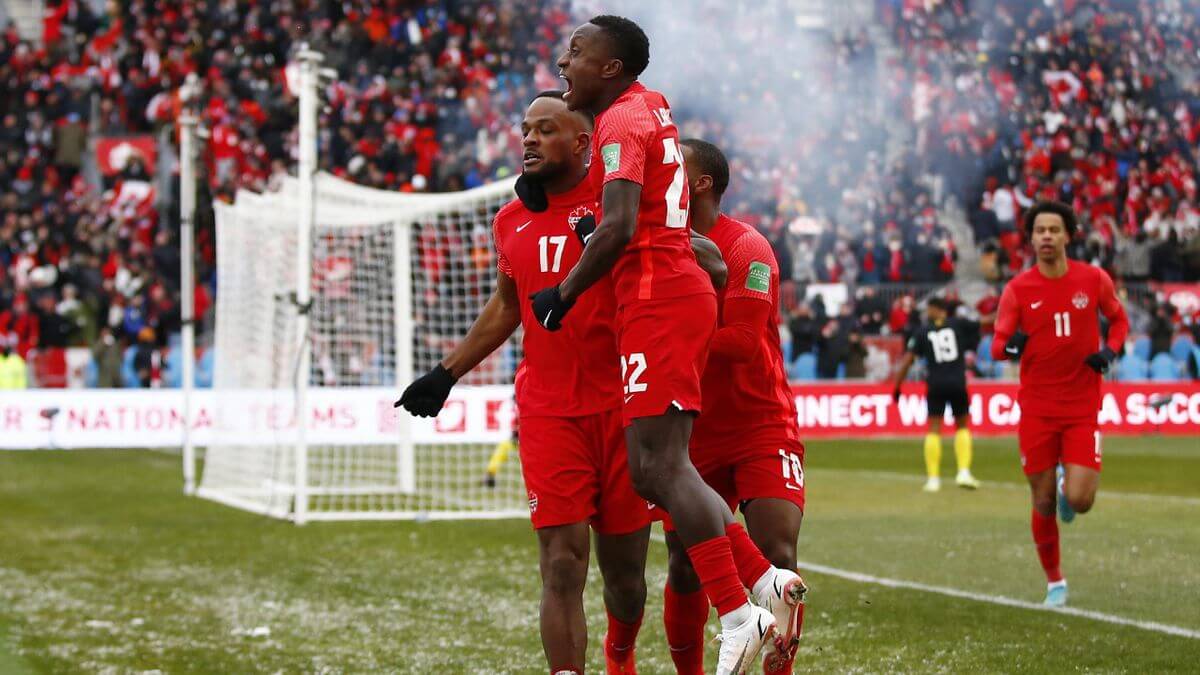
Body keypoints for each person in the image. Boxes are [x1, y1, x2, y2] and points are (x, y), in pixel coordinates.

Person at [539, 16, 801, 673]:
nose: (564, 61)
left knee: (655, 467)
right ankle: (760, 584)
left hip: (658, 299)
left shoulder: (621, 121)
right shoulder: (651, 107)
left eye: (577, 51)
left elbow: (623, 223)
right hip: (664, 294)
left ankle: (741, 615)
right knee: (658, 466)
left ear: (610, 67)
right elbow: (640, 219)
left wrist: (563, 293)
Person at [396, 91, 651, 674]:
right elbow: (508, 305)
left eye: (546, 129)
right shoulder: (511, 218)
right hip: (549, 410)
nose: (530, 139)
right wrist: (447, 372)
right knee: (561, 563)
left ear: (583, 142)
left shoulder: (617, 205)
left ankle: (621, 656)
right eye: (525, 130)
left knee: (626, 581)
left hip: (624, 406)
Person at [658, 138, 808, 675]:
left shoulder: (748, 248)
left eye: (677, 166)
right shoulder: (655, 242)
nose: (663, 171)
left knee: (777, 555)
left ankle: (778, 669)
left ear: (700, 183)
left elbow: (743, 343)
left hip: (761, 423)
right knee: (683, 566)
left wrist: (664, 342)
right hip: (691, 432)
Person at [991, 201, 1129, 607]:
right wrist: (1011, 345)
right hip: (1036, 409)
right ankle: (1055, 582)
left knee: (1081, 501)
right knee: (1043, 500)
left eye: (1054, 229)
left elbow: (1119, 321)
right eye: (1040, 230)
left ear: (1068, 235)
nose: (1047, 236)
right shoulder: (1018, 289)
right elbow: (999, 344)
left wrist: (1111, 351)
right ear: (1031, 239)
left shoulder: (1093, 279)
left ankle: (1073, 490)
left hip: (1082, 406)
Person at [890, 296, 982, 492]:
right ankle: (964, 471)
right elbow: (982, 323)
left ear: (936, 309)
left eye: (929, 309)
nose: (926, 313)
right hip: (958, 382)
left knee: (933, 428)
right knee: (963, 425)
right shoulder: (958, 324)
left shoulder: (923, 331)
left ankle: (933, 479)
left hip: (936, 384)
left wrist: (897, 386)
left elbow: (908, 361)